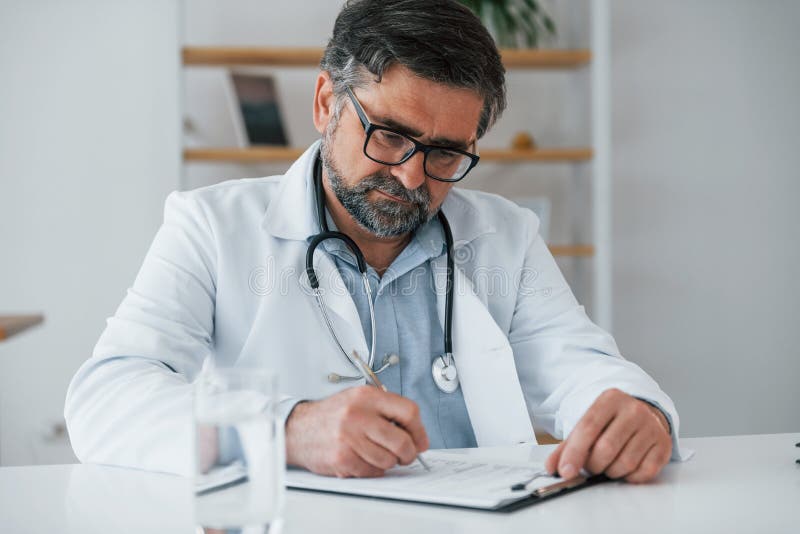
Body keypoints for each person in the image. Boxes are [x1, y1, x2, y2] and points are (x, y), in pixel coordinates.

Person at [65, 0, 680, 483]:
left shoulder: (505, 238)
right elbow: (106, 400)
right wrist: (288, 431)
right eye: (388, 135)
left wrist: (635, 412)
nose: (411, 176)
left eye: (444, 153)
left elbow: (580, 369)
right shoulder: (209, 227)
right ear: (326, 102)